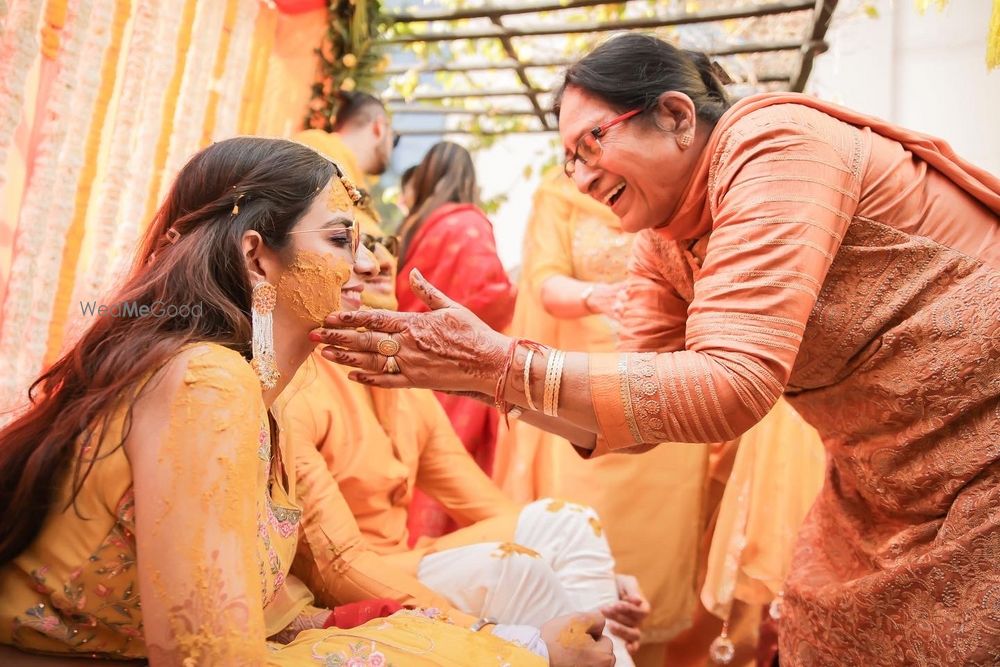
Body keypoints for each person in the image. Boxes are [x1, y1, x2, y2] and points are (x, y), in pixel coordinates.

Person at [312, 33, 1000, 666]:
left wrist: (500, 365)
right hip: (881, 470)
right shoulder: (662, 241)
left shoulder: (772, 142)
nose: (580, 178)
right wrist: (491, 376)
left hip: (980, 427)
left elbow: (732, 383)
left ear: (674, 114)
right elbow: (629, 411)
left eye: (591, 144)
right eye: (568, 163)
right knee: (825, 625)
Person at [0, 137, 612, 666]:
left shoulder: (261, 393)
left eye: (373, 242)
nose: (371, 263)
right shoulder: (207, 386)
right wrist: (522, 652)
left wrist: (495, 639)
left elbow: (282, 611)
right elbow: (214, 653)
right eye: (343, 238)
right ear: (256, 256)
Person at [276, 194, 644, 667]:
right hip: (359, 578)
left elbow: (485, 505)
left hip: (407, 559)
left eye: (383, 242)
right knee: (515, 570)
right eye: (344, 241)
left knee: (569, 523)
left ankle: (604, 644)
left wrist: (592, 574)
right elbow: (337, 567)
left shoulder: (404, 384)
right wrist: (477, 633)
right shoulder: (293, 387)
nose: (377, 261)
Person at [495, 168, 709, 667]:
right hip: (581, 397)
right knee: (584, 539)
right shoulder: (558, 194)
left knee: (657, 560)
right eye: (574, 150)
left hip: (664, 394)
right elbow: (543, 281)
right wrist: (601, 297)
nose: (582, 159)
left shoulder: (678, 189)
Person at [396, 141, 518, 539]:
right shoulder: (469, 224)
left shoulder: (412, 225)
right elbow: (490, 294)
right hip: (453, 373)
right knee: (449, 472)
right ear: (469, 178)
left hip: (405, 365)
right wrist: (523, 289)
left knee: (409, 466)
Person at [294, 90, 397, 187]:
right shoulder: (313, 146)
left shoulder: (360, 191)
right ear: (379, 128)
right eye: (394, 138)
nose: (393, 146)